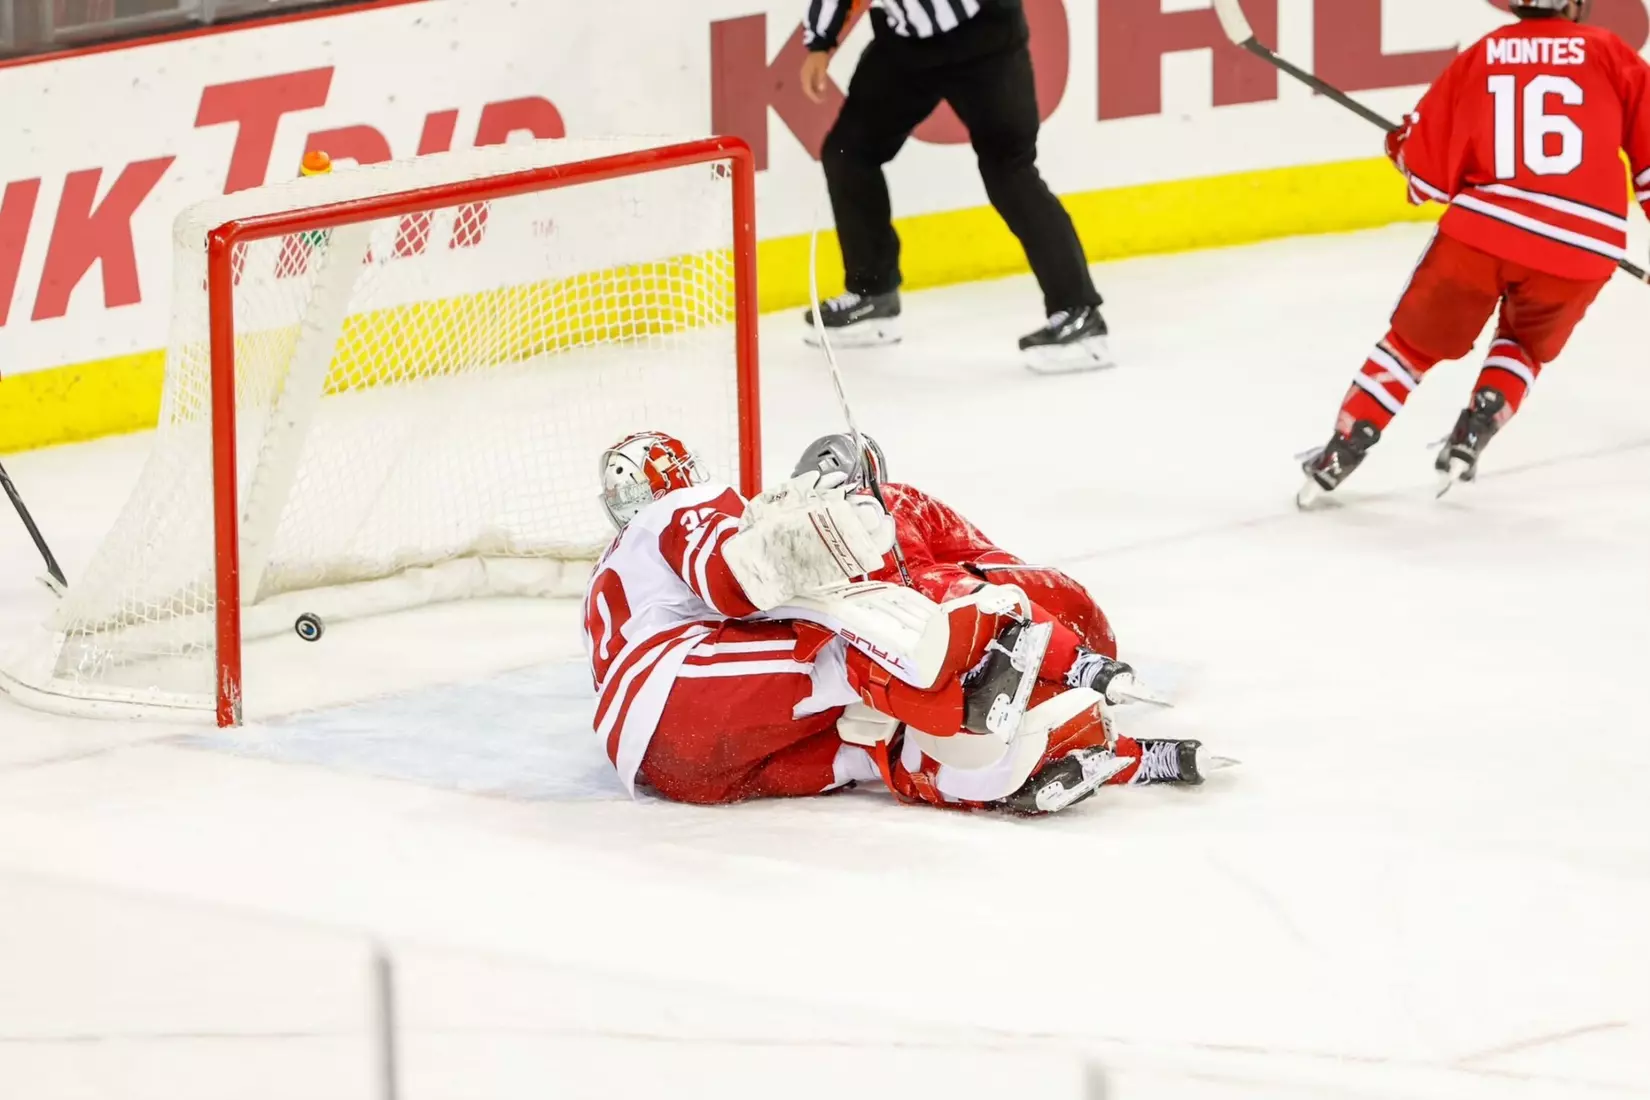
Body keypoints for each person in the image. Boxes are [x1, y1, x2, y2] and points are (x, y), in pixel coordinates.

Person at [583, 430, 1205, 815]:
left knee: (871, 743)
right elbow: (734, 578)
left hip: (676, 766)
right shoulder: (678, 509)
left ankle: (1088, 759)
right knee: (847, 644)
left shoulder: (613, 575)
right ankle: (985, 697)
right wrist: (822, 538)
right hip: (677, 696)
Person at [1298, 0, 1646, 506]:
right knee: (1523, 343)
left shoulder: (1484, 54)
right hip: (1582, 249)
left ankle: (1343, 448)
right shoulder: (1612, 53)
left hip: (1484, 235)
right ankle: (1478, 423)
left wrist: (1402, 147)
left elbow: (1428, 174)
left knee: (1411, 347)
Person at [798, 0, 1112, 373]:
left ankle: (1080, 316)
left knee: (1009, 170)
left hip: (985, 38)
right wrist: (820, 41)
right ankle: (873, 295)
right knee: (848, 153)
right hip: (907, 45)